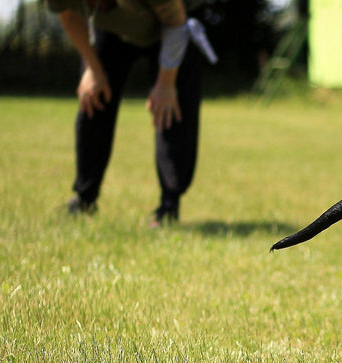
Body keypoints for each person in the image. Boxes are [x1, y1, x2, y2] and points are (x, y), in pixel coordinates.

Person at [47, 0, 217, 225]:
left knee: (171, 110)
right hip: (111, 31)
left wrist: (166, 83)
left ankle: (169, 205)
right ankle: (84, 198)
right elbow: (68, 14)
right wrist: (92, 68)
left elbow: (176, 22)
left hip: (173, 28)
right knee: (93, 99)